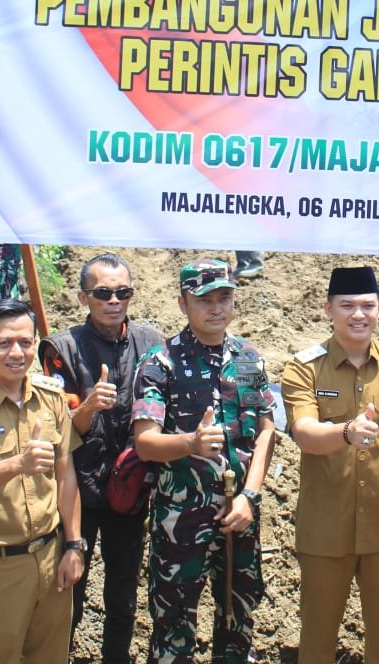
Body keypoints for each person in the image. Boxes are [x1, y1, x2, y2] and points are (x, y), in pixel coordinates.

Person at [281, 266, 379, 664]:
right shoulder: (304, 368)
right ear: (328, 309)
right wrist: (346, 431)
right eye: (347, 306)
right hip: (325, 529)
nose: (358, 315)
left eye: (367, 305)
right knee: (317, 640)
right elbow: (305, 434)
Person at [131, 259, 277, 663]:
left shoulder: (247, 359)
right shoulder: (162, 363)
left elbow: (267, 430)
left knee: (238, 624)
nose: (216, 308)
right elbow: (145, 444)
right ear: (182, 304)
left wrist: (250, 495)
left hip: (240, 518)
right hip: (182, 522)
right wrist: (190, 443)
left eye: (224, 297)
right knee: (173, 630)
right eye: (204, 300)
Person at [39, 253, 164, 664]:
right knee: (67, 589)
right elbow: (60, 434)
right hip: (78, 493)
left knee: (124, 593)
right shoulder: (60, 349)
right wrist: (89, 407)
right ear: (83, 297)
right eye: (103, 293)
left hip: (130, 491)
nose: (114, 301)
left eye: (122, 292)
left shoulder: (152, 344)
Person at [0, 299, 85, 664]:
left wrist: (74, 546)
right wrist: (18, 463)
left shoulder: (50, 397)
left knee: (52, 657)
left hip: (52, 557)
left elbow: (66, 475)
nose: (17, 353)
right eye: (4, 343)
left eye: (25, 342)